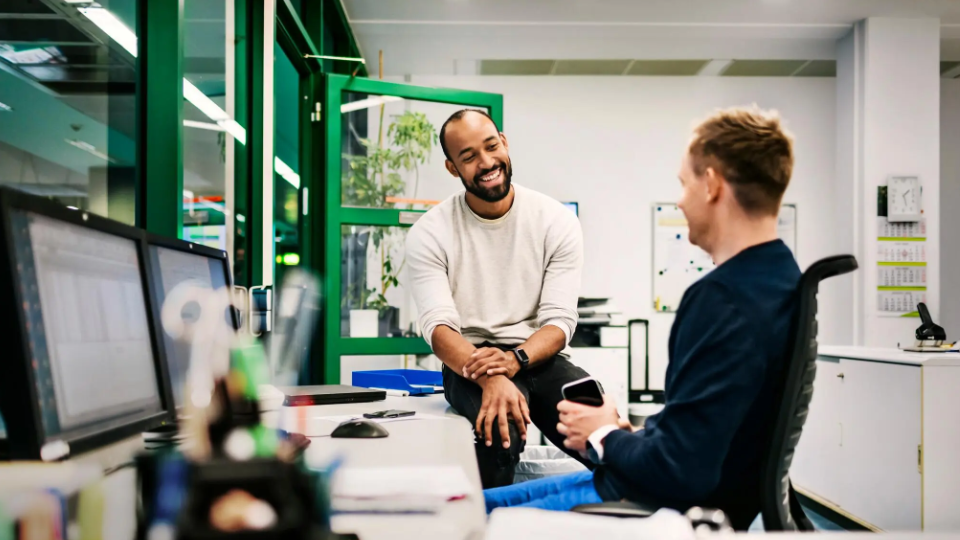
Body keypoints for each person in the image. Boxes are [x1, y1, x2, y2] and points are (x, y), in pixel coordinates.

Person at [484, 106, 802, 529]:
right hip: (642, 484)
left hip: (651, 503)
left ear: (711, 185)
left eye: (684, 184)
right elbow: (708, 428)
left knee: (463, 517)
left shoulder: (721, 299)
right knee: (472, 501)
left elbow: (682, 470)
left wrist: (602, 434)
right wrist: (629, 435)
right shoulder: (781, 278)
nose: (680, 200)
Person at [405, 109, 589, 488]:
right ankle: (489, 515)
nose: (487, 162)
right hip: (469, 360)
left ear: (504, 142)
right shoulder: (430, 232)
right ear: (453, 168)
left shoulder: (555, 221)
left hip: (537, 355)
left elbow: (559, 322)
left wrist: (514, 360)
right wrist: (491, 375)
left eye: (491, 146)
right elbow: (439, 328)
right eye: (469, 156)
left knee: (597, 422)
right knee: (499, 428)